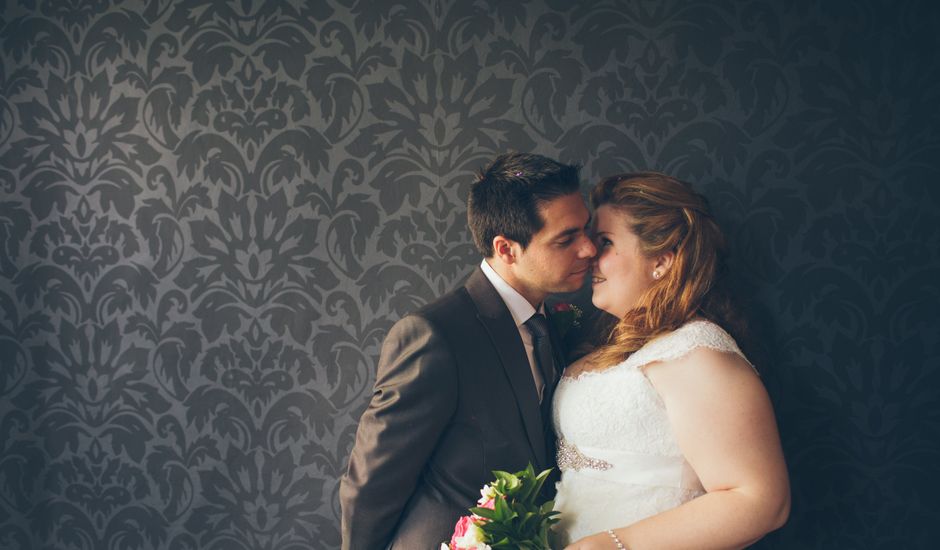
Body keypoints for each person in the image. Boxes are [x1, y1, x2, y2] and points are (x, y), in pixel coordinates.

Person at [340, 152, 597, 549]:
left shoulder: (561, 322)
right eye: (567, 239)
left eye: (586, 230)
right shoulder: (435, 335)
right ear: (506, 248)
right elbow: (373, 482)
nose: (588, 249)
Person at [553, 172, 790, 549]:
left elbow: (760, 499)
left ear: (661, 261)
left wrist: (613, 545)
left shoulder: (694, 349)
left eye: (605, 242)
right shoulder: (618, 345)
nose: (588, 255)